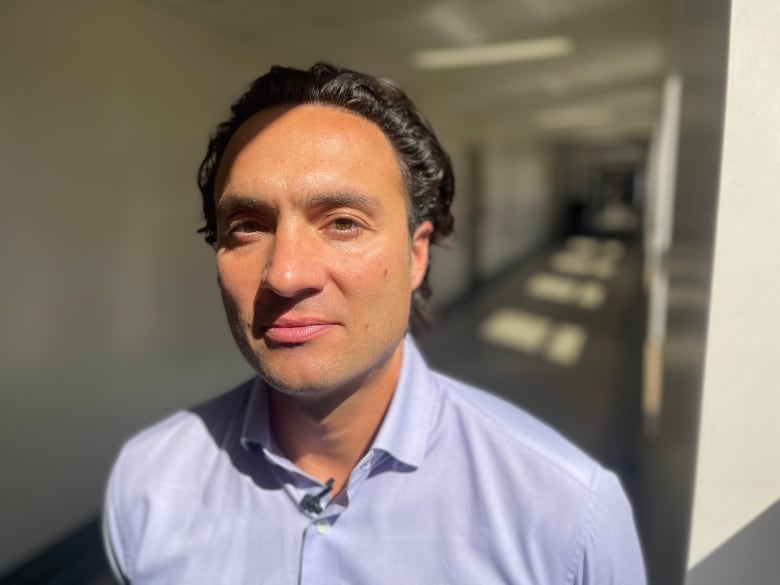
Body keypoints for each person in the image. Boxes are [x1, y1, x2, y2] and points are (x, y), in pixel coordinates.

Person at [103, 63, 646, 584]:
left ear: (417, 255)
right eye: (248, 227)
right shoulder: (149, 485)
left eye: (342, 222)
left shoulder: (568, 515)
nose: (286, 274)